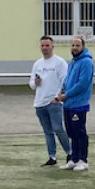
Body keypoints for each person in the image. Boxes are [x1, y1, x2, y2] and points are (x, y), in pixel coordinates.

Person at [30, 36, 70, 167]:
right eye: (42, 46)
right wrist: (35, 83)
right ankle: (51, 156)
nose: (45, 48)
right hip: (39, 102)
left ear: (52, 46)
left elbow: (64, 80)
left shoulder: (59, 62)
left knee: (58, 128)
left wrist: (58, 97)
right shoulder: (37, 64)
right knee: (47, 131)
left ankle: (70, 152)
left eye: (47, 45)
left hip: (53, 102)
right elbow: (31, 84)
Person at [57, 36, 93, 171]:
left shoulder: (86, 62)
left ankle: (83, 160)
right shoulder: (73, 62)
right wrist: (62, 91)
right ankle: (74, 158)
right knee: (71, 132)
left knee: (79, 132)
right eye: (72, 45)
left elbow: (82, 84)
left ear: (83, 47)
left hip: (79, 103)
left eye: (77, 45)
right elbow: (67, 80)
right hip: (68, 104)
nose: (74, 48)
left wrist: (67, 95)